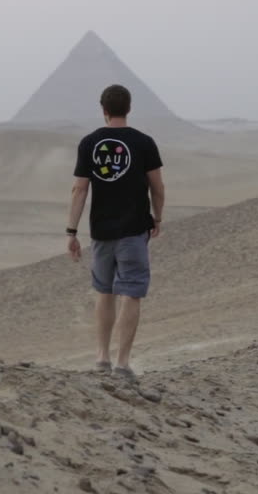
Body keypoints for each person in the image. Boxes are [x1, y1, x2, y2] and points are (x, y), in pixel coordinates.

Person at [66, 84, 165, 380]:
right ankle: (122, 363)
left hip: (102, 231)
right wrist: (158, 218)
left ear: (104, 110)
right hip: (135, 230)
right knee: (131, 294)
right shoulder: (144, 142)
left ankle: (101, 358)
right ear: (129, 108)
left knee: (104, 292)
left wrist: (71, 231)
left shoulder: (90, 143)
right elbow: (157, 186)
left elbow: (79, 189)